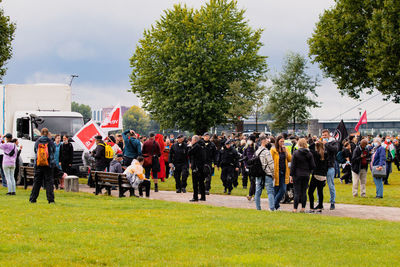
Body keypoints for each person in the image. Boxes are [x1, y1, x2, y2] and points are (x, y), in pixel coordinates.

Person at [29, 128, 56, 203]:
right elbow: (53, 150)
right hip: (48, 164)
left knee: (37, 182)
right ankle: (50, 200)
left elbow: (35, 150)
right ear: (48, 133)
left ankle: (33, 199)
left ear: (41, 133)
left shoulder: (37, 141)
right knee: (49, 182)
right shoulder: (50, 141)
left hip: (39, 164)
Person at [290, 138, 315, 213]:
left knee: (297, 192)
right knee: (304, 192)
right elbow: (313, 165)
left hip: (297, 174)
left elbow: (293, 166)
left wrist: (291, 175)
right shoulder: (309, 153)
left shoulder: (296, 153)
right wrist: (309, 171)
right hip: (306, 174)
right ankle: (303, 208)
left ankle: (295, 209)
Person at [270, 136, 292, 210]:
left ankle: (273, 204)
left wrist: (285, 151)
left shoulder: (285, 150)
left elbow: (290, 159)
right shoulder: (273, 150)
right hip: (276, 171)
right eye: (281, 141)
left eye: (283, 141)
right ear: (277, 142)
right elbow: (270, 161)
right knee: (276, 189)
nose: (282, 143)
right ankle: (277, 206)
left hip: (284, 171)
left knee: (283, 189)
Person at [254, 135, 275, 211]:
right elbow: (271, 164)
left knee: (258, 191)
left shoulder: (257, 151)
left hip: (259, 173)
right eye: (266, 140)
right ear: (263, 141)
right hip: (267, 173)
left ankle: (258, 208)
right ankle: (272, 208)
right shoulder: (266, 152)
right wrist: (273, 173)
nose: (268, 141)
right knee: (270, 191)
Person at [321, 129, 340, 210]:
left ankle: (332, 202)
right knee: (320, 185)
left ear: (329, 135)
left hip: (330, 166)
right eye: (323, 135)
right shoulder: (320, 144)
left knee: (330, 185)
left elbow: (335, 150)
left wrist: (327, 144)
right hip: (322, 167)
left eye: (325, 135)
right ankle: (319, 202)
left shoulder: (333, 142)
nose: (324, 137)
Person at [309, 141, 328, 211]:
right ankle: (320, 206)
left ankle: (311, 207)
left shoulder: (315, 154)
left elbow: (309, 148)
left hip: (316, 174)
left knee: (310, 191)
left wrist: (314, 142)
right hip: (323, 175)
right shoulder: (326, 154)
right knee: (320, 191)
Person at [188, 135, 206, 202]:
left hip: (196, 166)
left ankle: (195, 197)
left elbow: (189, 153)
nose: (191, 141)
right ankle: (203, 197)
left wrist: (190, 146)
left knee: (195, 183)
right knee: (201, 182)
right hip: (201, 166)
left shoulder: (196, 146)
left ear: (195, 140)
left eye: (192, 140)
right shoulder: (202, 145)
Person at [244, 135, 258, 201]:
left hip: (254, 166)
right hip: (248, 166)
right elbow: (244, 156)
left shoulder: (256, 147)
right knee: (252, 181)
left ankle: (251, 195)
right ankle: (254, 195)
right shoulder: (246, 147)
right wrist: (245, 164)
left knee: (253, 181)